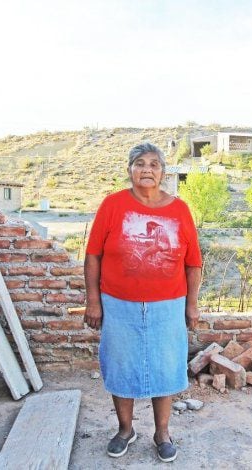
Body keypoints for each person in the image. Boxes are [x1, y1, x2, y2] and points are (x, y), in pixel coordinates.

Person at [84, 142, 202, 463]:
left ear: (163, 172)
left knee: (165, 367)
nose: (146, 169)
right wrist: (93, 301)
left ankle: (162, 433)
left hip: (168, 305)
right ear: (130, 171)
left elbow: (193, 263)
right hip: (119, 304)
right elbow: (93, 255)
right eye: (139, 164)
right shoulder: (113, 205)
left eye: (153, 164)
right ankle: (125, 430)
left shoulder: (180, 210)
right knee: (121, 366)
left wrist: (191, 305)